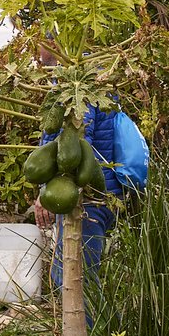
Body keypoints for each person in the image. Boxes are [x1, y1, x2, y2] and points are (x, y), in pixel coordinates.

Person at [33, 99, 150, 291]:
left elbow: (74, 150)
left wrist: (47, 192)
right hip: (99, 194)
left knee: (76, 278)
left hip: (86, 199)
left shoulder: (77, 90)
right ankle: (98, 322)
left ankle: (103, 323)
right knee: (66, 275)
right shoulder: (99, 88)